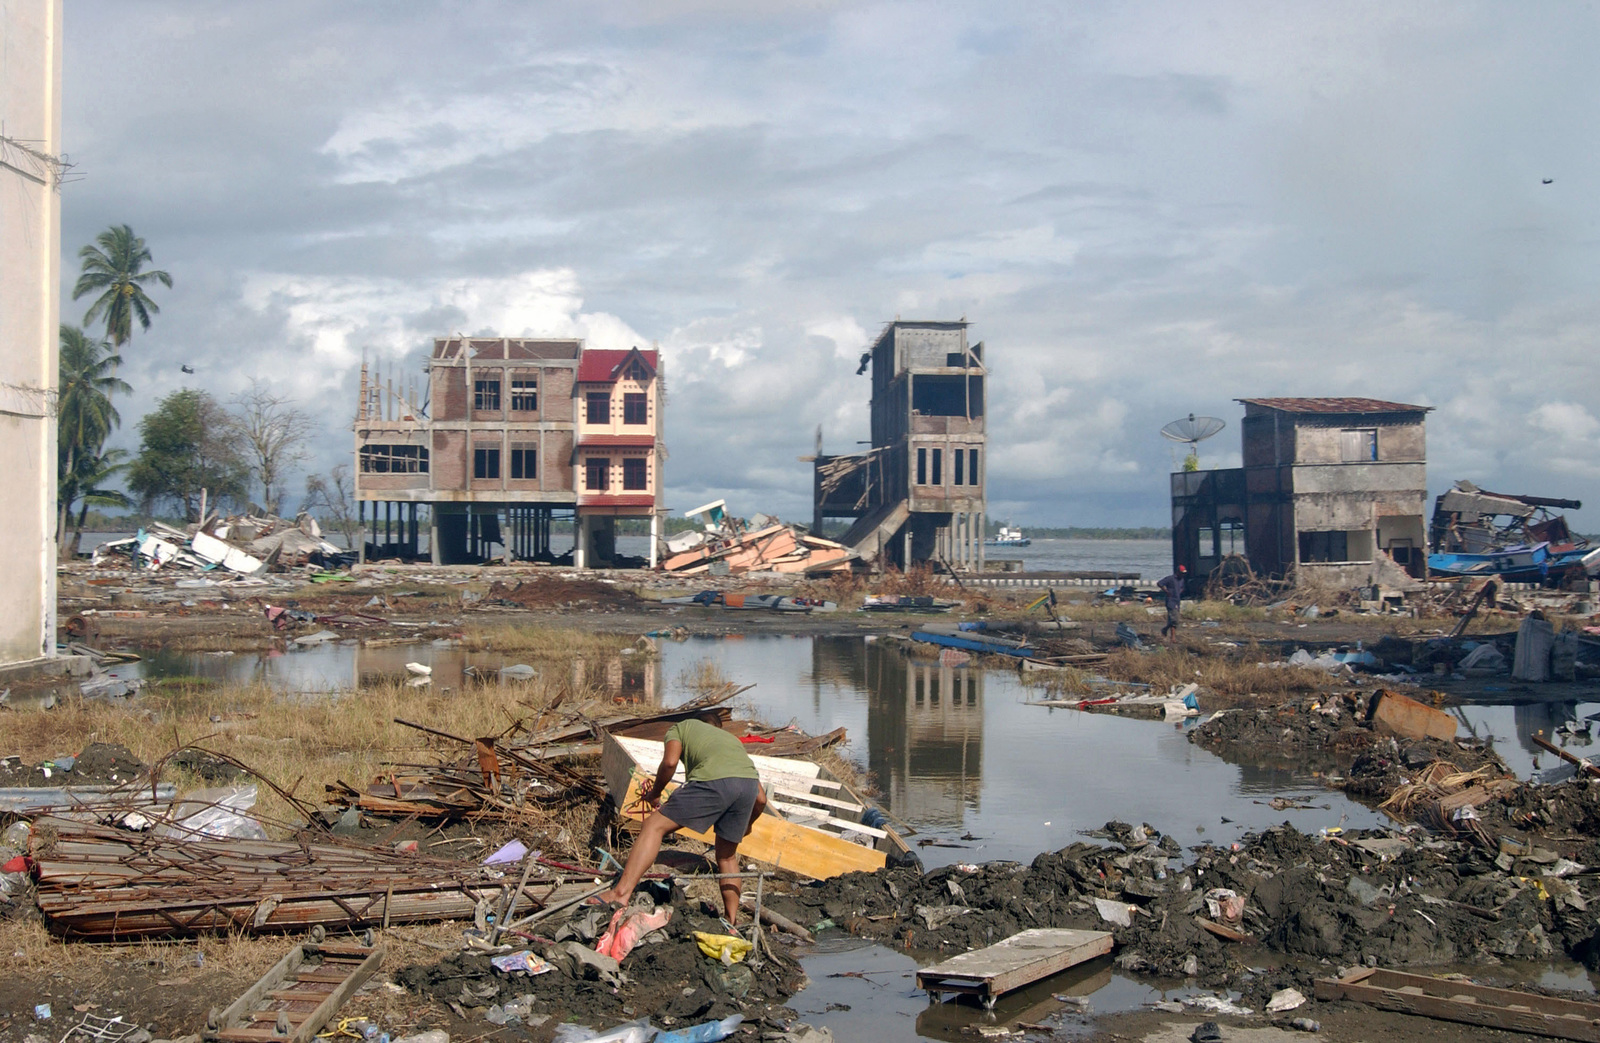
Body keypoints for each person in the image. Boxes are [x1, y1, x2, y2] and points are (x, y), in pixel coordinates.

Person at [596, 714, 768, 924]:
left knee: (653, 825)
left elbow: (669, 763)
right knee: (727, 857)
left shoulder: (681, 727)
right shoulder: (731, 741)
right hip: (747, 786)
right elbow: (761, 799)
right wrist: (746, 825)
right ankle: (731, 921)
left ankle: (620, 894)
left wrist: (655, 793)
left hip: (712, 781)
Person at [1157, 565, 1186, 645]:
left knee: (1172, 619)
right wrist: (1166, 591)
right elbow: (1159, 583)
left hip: (1177, 601)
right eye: (1182, 573)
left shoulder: (1181, 580)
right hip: (1170, 601)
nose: (1183, 575)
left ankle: (1165, 629)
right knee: (1174, 619)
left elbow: (1182, 587)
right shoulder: (1170, 578)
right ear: (1178, 572)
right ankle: (1172, 638)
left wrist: (1180, 591)